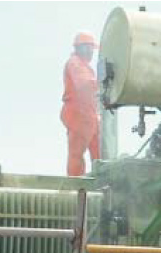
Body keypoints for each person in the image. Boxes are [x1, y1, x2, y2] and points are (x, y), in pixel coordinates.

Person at [60, 32, 101, 176]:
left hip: (89, 115)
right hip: (79, 114)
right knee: (76, 154)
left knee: (100, 155)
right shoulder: (75, 63)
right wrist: (103, 83)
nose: (91, 53)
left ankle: (102, 180)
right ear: (81, 48)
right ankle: (76, 185)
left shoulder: (82, 65)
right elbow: (83, 85)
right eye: (90, 49)